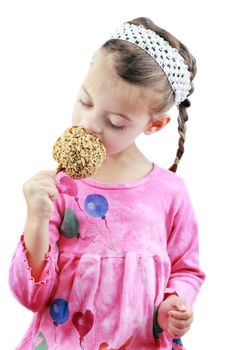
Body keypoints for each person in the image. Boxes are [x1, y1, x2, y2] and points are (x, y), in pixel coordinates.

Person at [9, 17, 205, 350]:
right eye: (85, 102)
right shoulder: (61, 187)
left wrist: (175, 303)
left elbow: (187, 269)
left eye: (114, 122)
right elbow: (30, 295)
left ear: (155, 124)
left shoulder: (170, 192)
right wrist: (36, 220)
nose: (88, 124)